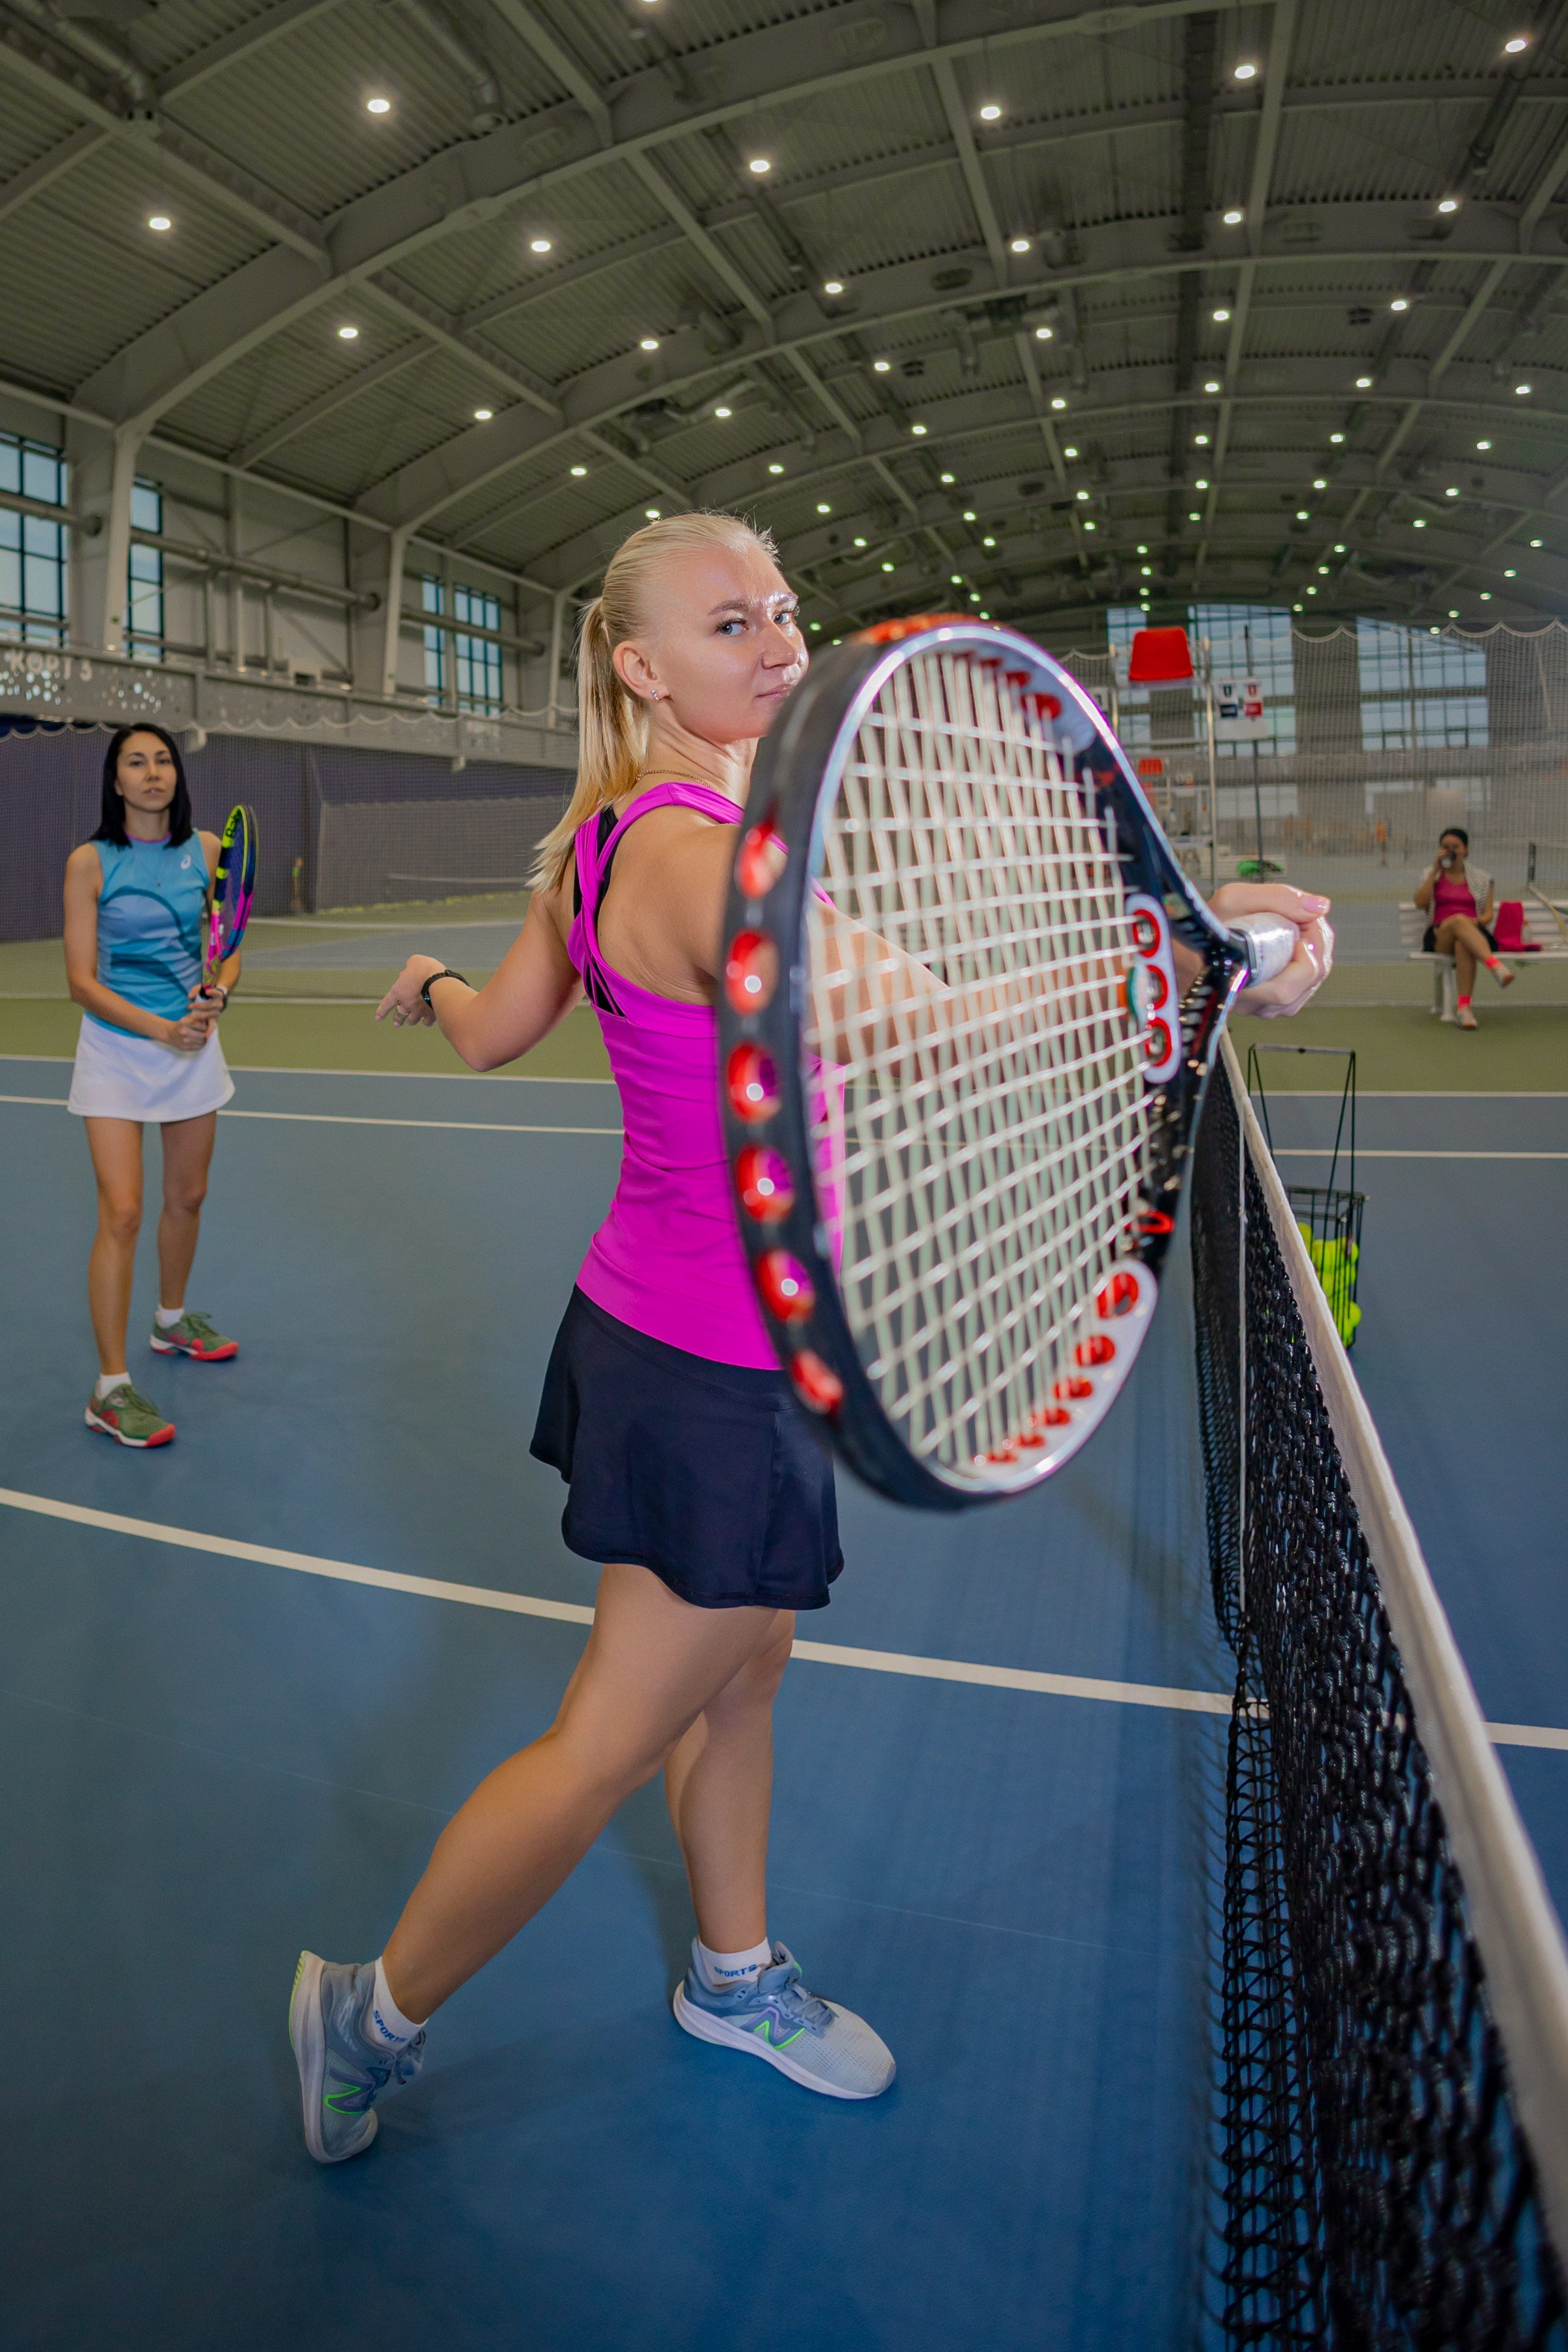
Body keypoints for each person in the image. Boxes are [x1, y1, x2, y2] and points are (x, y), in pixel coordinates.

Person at [287, 513, 1335, 2164]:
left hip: (683, 1331)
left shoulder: (600, 843)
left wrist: (426, 985)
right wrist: (1194, 952)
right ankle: (371, 2010)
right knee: (606, 1740)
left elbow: (493, 1036)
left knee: (748, 1670)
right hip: (705, 1365)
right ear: (640, 664)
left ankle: (728, 1970)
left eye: (782, 613)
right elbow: (923, 1028)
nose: (778, 643)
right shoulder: (696, 857)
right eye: (730, 622)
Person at [62, 725, 241, 1448]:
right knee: (125, 1212)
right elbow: (79, 981)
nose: (152, 772)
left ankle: (171, 1321)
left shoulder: (206, 852)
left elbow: (226, 951)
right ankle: (110, 1389)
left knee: (187, 1196)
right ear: (115, 781)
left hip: (192, 1046)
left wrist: (216, 995)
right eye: (135, 762)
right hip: (116, 1051)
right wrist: (159, 1029)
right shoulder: (90, 861)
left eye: (162, 759)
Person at [1414, 826, 1509, 1029]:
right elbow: (1420, 903)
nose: (1450, 850)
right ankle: (1495, 966)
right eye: (1445, 846)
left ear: (1465, 850)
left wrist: (1473, 923)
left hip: (1473, 934)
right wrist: (1435, 871)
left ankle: (1464, 1011)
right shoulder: (1431, 874)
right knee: (1458, 920)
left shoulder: (1482, 878)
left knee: (1463, 942)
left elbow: (1488, 914)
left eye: (1455, 846)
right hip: (1440, 935)